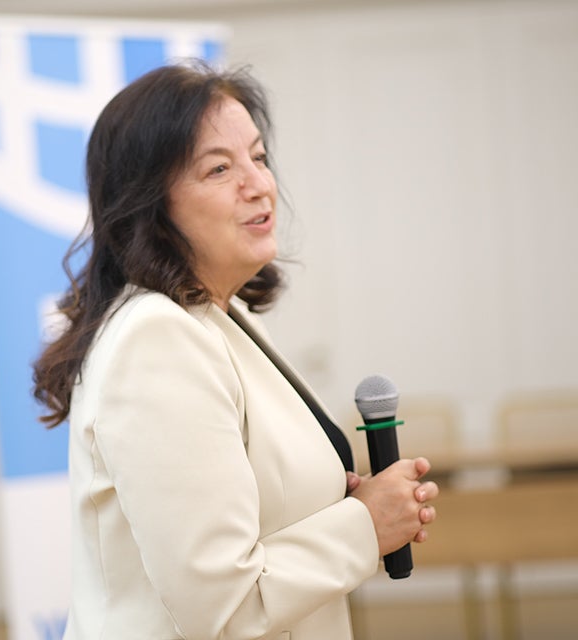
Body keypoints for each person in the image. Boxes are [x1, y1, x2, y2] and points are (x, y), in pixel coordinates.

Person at [32, 60, 439, 640]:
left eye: (259, 157)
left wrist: (339, 502)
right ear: (151, 205)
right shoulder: (156, 339)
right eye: (219, 168)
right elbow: (223, 605)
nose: (258, 183)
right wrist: (365, 526)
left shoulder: (224, 314)